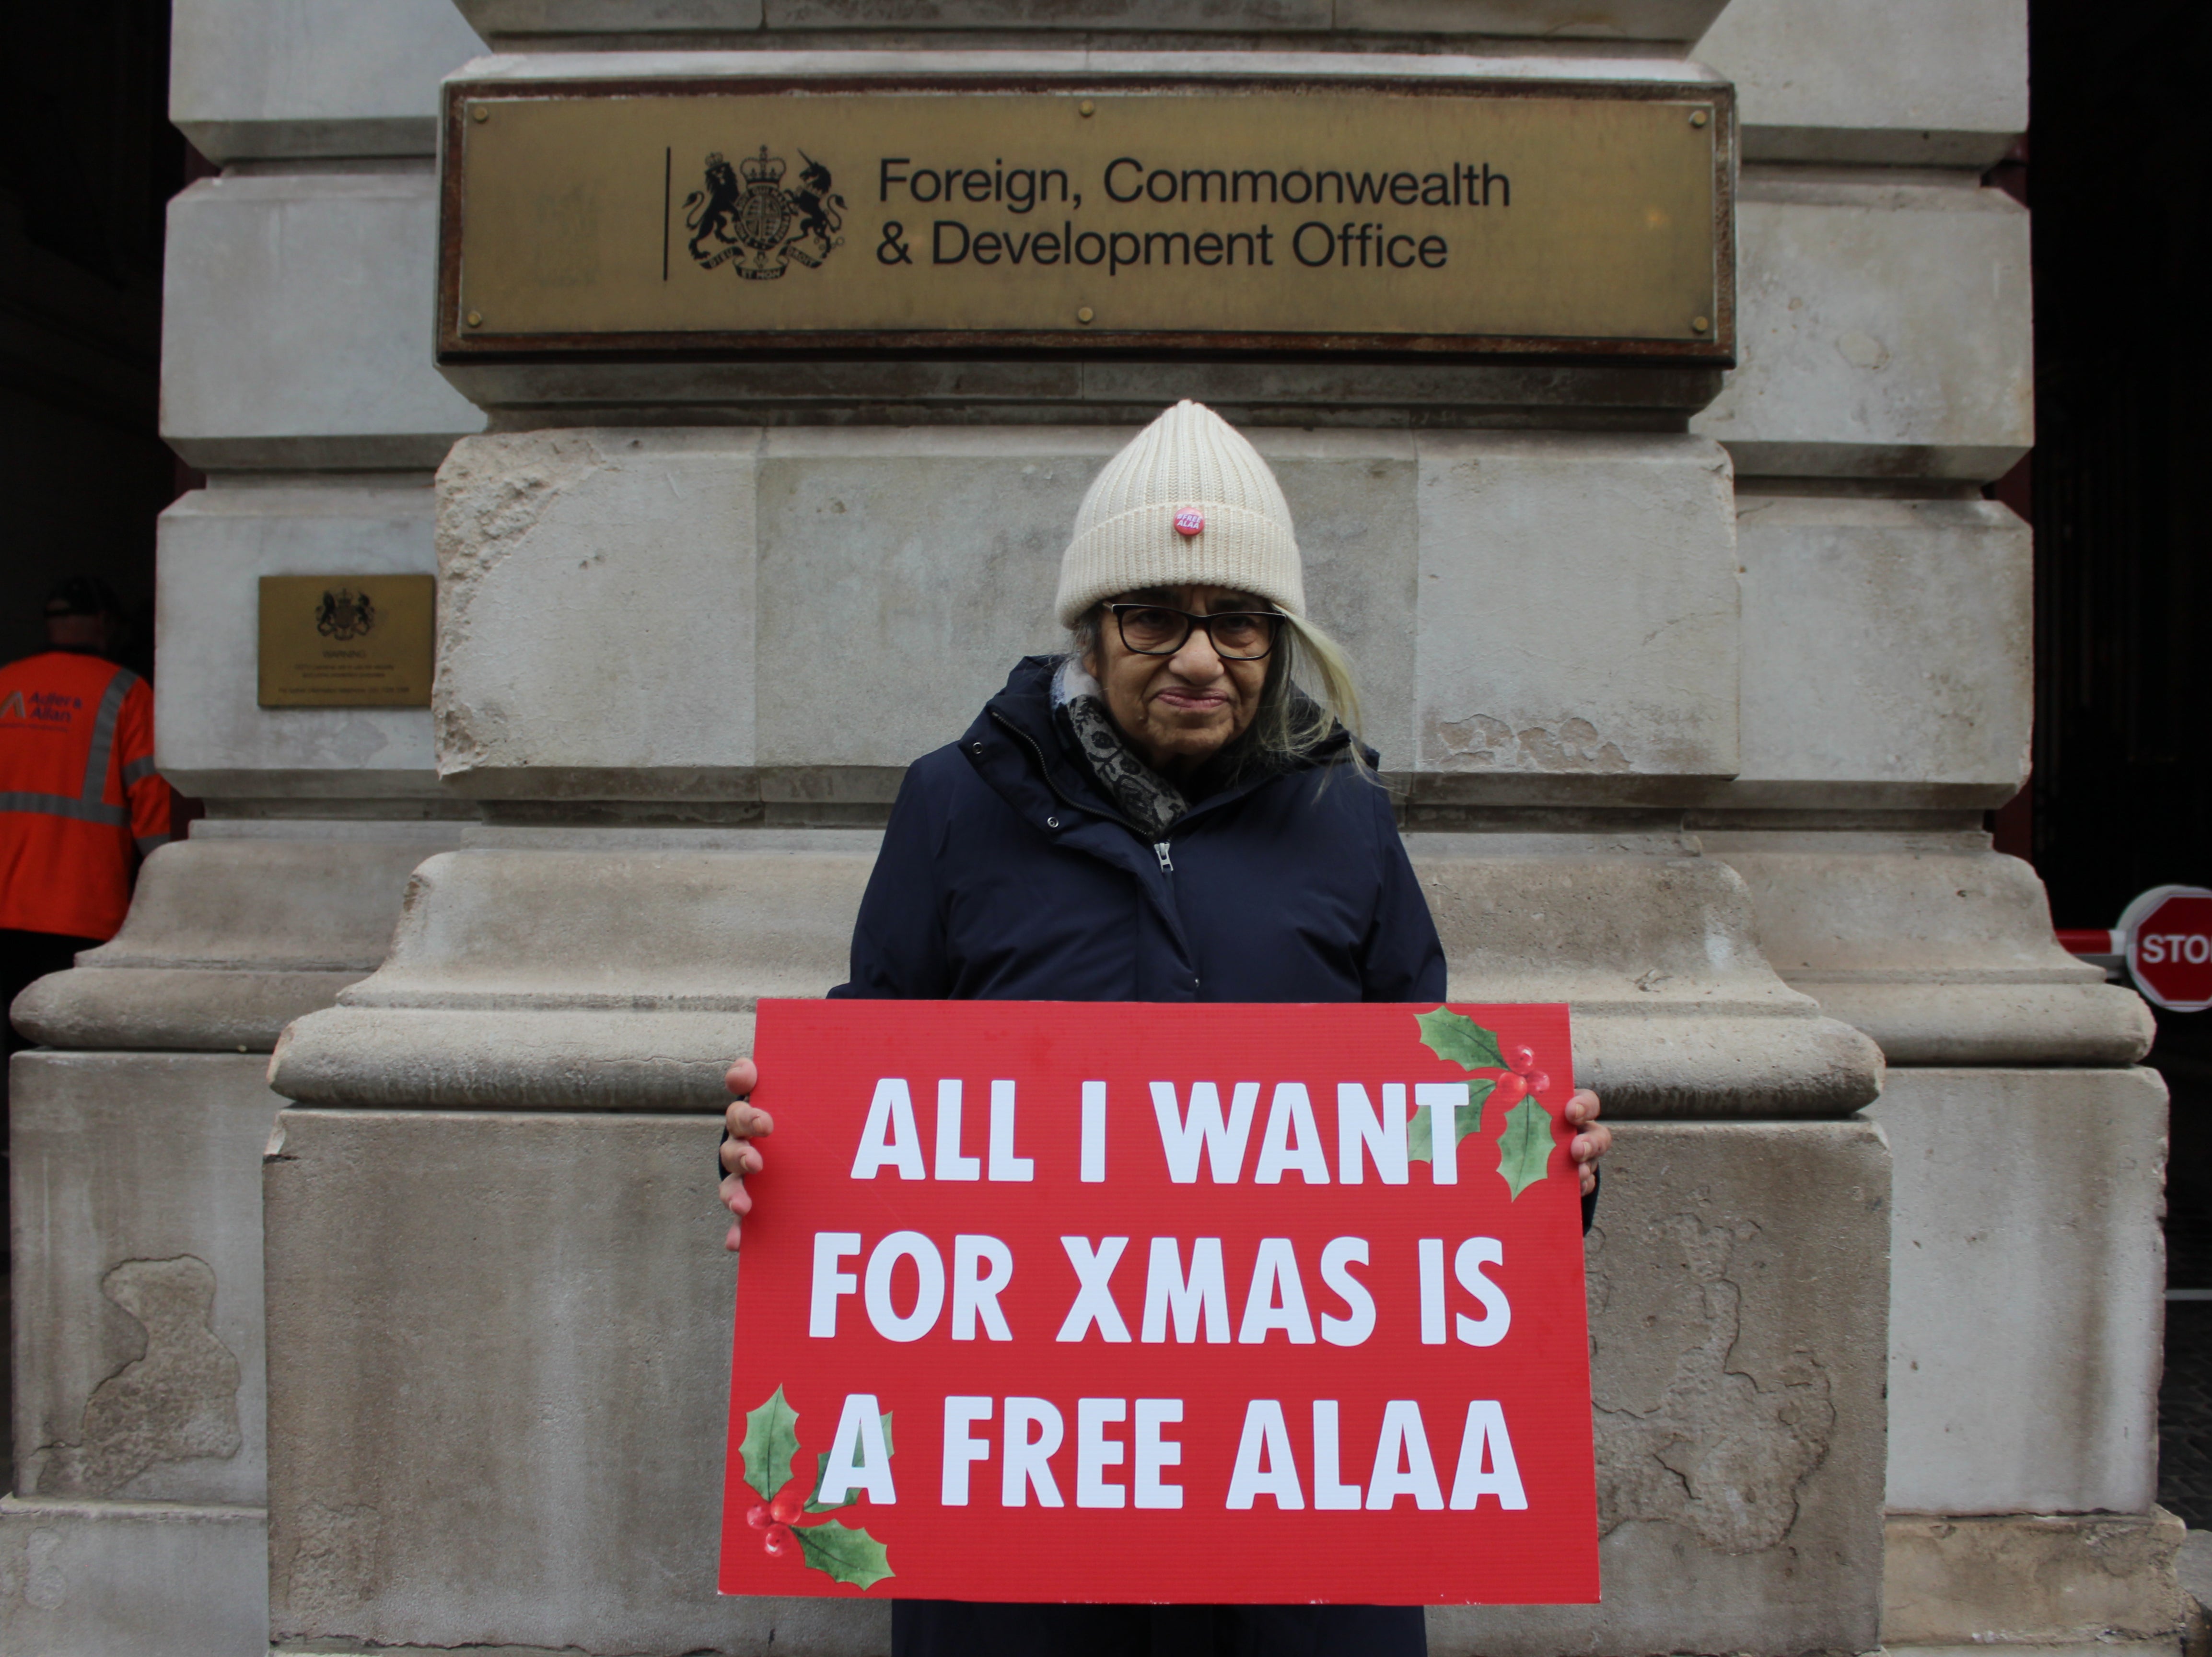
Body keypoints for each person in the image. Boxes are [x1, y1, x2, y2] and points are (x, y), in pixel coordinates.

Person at [716, 401, 1610, 1656]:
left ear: (1275, 638)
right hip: (1019, 1476)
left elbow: (1428, 1107)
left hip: (1302, 1471)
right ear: (1091, 629)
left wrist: (1538, 1173)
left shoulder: (1343, 820)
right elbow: (872, 1086)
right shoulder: (953, 805)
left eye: (1236, 620)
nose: (1200, 657)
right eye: (1155, 617)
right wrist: (778, 1149)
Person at [1, 576, 175, 1026]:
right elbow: (152, 804)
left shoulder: (6, 683)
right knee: (57, 1036)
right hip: (83, 905)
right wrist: (168, 885)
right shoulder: (126, 691)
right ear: (103, 623)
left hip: (6, 900)